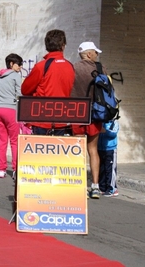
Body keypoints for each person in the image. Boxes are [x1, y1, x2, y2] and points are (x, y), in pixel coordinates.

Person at [21, 29, 75, 136]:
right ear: (63, 45)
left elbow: (25, 90)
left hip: (41, 120)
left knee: (39, 152)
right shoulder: (70, 66)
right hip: (62, 119)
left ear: (46, 45)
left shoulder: (41, 66)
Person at [70, 41, 105, 199]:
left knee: (78, 150)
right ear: (90, 54)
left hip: (76, 112)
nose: (97, 55)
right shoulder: (99, 68)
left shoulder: (73, 68)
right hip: (95, 113)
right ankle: (95, 186)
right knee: (93, 150)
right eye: (96, 52)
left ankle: (79, 185)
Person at [0, 53, 23, 179]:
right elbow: (19, 94)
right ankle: (15, 169)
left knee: (2, 141)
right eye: (19, 64)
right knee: (14, 141)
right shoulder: (16, 76)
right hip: (11, 110)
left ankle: (1, 169)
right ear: (11, 64)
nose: (20, 67)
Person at [98, 120, 119, 197]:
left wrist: (105, 131)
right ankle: (103, 187)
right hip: (100, 148)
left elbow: (113, 133)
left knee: (110, 169)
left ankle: (111, 189)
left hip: (110, 149)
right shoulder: (101, 122)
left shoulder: (114, 122)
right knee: (102, 169)